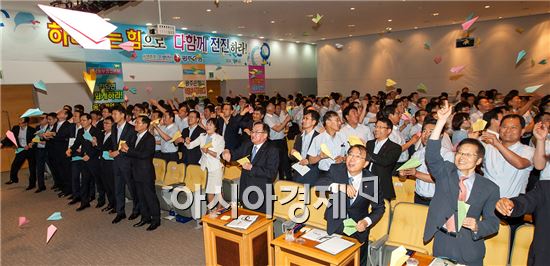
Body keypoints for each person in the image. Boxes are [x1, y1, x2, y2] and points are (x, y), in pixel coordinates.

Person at [424, 100, 499, 266]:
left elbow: (493, 223)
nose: (462, 157)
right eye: (459, 153)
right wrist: (441, 122)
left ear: (479, 160)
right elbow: (432, 155)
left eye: (468, 155)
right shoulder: (446, 172)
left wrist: (477, 225)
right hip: (442, 243)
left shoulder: (490, 188)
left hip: (469, 248)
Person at [317, 145, 385, 266]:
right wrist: (340, 186)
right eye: (350, 154)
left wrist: (366, 222)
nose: (352, 159)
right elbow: (319, 186)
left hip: (358, 229)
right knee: (333, 261)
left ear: (365, 163)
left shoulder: (371, 180)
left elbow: (379, 208)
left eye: (357, 156)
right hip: (336, 224)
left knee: (357, 262)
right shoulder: (336, 169)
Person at [221, 122, 279, 213]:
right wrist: (225, 152)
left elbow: (271, 173)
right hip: (245, 189)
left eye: (257, 132)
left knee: (261, 224)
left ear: (265, 135)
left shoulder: (272, 149)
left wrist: (252, 168)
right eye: (252, 131)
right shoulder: (247, 145)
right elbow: (234, 154)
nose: (253, 134)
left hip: (262, 192)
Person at [120, 116, 161, 231]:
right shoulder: (135, 136)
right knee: (140, 197)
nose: (135, 125)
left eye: (138, 123)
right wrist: (125, 150)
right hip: (135, 170)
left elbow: (144, 155)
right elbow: (132, 152)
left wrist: (128, 150)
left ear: (145, 125)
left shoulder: (149, 138)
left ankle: (156, 220)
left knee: (150, 196)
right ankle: (145, 217)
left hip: (145, 172)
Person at [185, 118, 225, 210]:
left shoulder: (219, 138)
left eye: (210, 125)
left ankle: (218, 209)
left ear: (215, 127)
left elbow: (220, 155)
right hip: (205, 167)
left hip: (215, 167)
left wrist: (208, 151)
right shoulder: (202, 136)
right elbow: (190, 145)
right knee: (209, 190)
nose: (208, 126)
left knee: (217, 190)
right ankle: (212, 210)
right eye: (207, 124)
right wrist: (187, 142)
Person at [110, 106, 140, 224]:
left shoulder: (132, 129)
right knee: (118, 188)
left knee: (132, 188)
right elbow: (114, 144)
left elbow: (132, 145)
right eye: (112, 114)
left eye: (115, 114)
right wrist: (111, 151)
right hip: (116, 162)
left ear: (122, 115)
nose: (113, 116)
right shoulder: (113, 127)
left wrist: (118, 151)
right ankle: (120, 212)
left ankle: (137, 209)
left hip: (128, 163)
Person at [67, 113, 102, 211]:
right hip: (83, 159)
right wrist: (70, 149)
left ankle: (101, 200)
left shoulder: (97, 131)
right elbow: (77, 143)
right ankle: (84, 202)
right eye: (81, 120)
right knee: (85, 182)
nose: (82, 122)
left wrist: (89, 155)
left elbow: (98, 147)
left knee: (98, 182)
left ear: (90, 121)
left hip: (94, 160)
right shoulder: (80, 131)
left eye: (84, 120)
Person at [366, 118, 401, 200]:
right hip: (366, 181)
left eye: (381, 127)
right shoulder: (369, 143)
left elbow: (385, 162)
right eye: (376, 126)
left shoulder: (395, 147)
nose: (377, 129)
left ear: (389, 131)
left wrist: (366, 153)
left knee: (380, 211)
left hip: (381, 185)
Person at [307, 111, 348, 178]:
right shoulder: (318, 139)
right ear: (328, 122)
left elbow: (349, 153)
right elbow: (311, 160)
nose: (340, 123)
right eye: (337, 120)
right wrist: (320, 157)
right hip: (325, 174)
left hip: (342, 170)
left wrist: (343, 158)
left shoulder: (343, 136)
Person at [1, 117, 36, 187]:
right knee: (15, 165)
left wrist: (30, 145)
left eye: (21, 121)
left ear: (26, 123)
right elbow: (9, 137)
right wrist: (2, 143)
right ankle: (13, 179)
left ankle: (32, 184)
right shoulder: (16, 128)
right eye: (19, 120)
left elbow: (36, 139)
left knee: (32, 168)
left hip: (30, 151)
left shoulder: (32, 130)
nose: (19, 122)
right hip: (21, 150)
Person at [290, 109, 320, 185]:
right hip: (299, 168)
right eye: (303, 118)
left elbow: (321, 157)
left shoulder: (319, 137)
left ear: (313, 122)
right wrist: (292, 154)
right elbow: (293, 157)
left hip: (312, 169)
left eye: (306, 119)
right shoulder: (299, 136)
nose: (303, 121)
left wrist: (308, 161)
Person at [264, 101, 292, 180]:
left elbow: (281, 126)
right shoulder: (267, 118)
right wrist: (286, 120)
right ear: (267, 108)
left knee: (286, 161)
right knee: (279, 163)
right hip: (275, 142)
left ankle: (289, 179)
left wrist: (286, 126)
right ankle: (282, 180)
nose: (273, 106)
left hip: (282, 140)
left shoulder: (275, 116)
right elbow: (278, 129)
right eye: (271, 105)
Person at [99, 116, 116, 213]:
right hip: (102, 162)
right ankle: (110, 203)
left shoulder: (114, 135)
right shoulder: (102, 134)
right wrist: (96, 143)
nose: (104, 125)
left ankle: (116, 206)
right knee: (106, 185)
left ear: (113, 125)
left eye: (107, 123)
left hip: (111, 163)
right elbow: (101, 148)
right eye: (104, 123)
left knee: (112, 185)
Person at [32, 115, 50, 193]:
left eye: (42, 118)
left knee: (52, 167)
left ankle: (58, 184)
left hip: (47, 150)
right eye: (39, 118)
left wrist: (44, 141)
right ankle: (41, 186)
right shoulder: (37, 127)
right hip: (39, 150)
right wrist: (32, 142)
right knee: (39, 169)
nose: (40, 120)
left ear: (47, 119)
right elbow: (36, 138)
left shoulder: (50, 127)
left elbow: (52, 140)